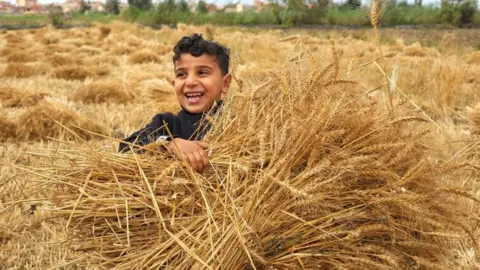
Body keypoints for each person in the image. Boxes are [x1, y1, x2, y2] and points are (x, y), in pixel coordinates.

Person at [119, 33, 231, 173]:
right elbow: (125, 148)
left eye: (202, 72)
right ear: (174, 83)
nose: (190, 82)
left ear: (225, 83)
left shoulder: (237, 123)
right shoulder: (166, 124)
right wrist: (169, 144)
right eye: (181, 74)